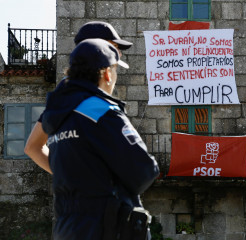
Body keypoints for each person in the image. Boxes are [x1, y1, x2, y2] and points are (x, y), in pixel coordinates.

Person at [40, 38, 159, 239]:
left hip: (65, 228)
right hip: (103, 227)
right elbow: (145, 171)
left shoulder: (57, 117)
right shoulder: (102, 110)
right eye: (115, 70)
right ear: (107, 74)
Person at [24, 21, 132, 174]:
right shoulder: (75, 91)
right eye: (114, 47)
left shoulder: (66, 91)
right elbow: (33, 147)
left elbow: (32, 147)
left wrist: (70, 178)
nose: (119, 53)